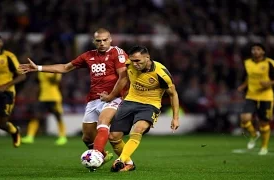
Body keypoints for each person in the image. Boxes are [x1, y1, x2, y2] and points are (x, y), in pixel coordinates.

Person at [18, 28, 128, 164]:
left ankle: (107, 158)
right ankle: (104, 155)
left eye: (105, 40)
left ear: (110, 39)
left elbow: (123, 77)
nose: (102, 43)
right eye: (98, 41)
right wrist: (38, 68)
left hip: (113, 97)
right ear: (94, 41)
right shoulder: (88, 56)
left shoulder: (117, 53)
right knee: (87, 137)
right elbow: (65, 68)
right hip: (94, 99)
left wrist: (111, 96)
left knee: (103, 123)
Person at [104, 45, 180, 172]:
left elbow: (173, 94)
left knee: (138, 129)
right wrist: (111, 95)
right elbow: (123, 78)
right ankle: (129, 163)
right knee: (113, 137)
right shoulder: (128, 64)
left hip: (150, 105)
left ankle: (120, 160)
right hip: (130, 101)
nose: (135, 64)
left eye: (138, 61)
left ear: (147, 58)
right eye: (132, 60)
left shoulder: (161, 74)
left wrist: (175, 118)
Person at [237, 43, 274, 155]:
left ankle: (264, 147)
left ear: (263, 52)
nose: (255, 51)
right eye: (253, 49)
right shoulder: (247, 63)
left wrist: (269, 83)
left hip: (266, 96)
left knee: (264, 123)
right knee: (244, 118)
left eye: (258, 49)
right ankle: (253, 135)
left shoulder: (269, 63)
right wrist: (243, 85)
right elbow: (249, 76)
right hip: (251, 95)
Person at [21, 57, 67, 145]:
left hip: (54, 97)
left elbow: (55, 82)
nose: (47, 65)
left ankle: (62, 137)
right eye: (46, 63)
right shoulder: (40, 73)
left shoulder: (57, 72)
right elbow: (38, 84)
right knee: (36, 116)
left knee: (58, 117)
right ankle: (30, 136)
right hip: (43, 98)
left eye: (49, 63)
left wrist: (52, 72)